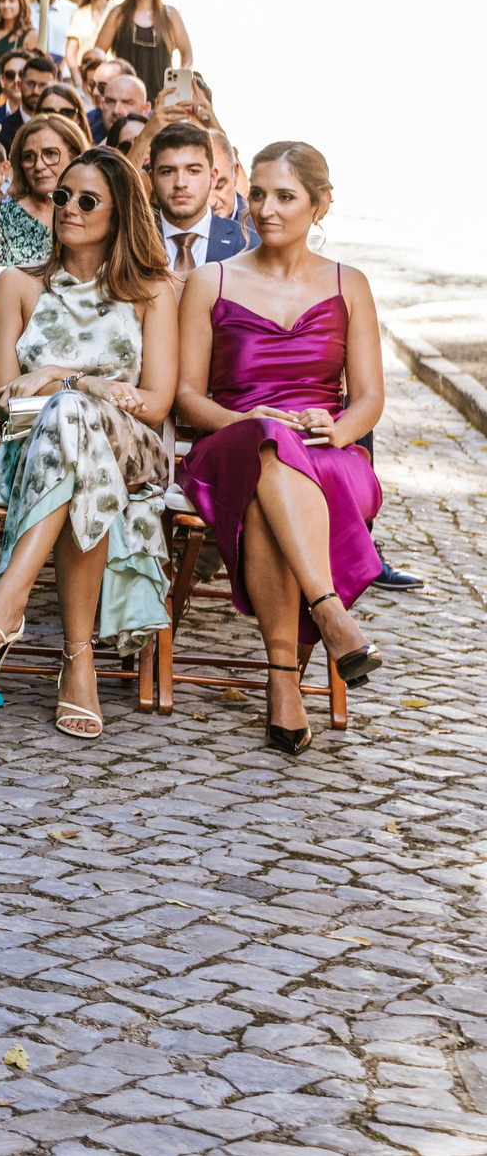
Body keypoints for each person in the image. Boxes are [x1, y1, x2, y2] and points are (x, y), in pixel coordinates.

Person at [0, 147, 179, 738]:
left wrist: (59, 380)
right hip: (30, 447)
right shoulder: (19, 285)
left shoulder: (151, 290)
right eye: (62, 196)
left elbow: (155, 403)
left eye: (87, 200)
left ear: (120, 211)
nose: (68, 208)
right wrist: (78, 385)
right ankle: (79, 664)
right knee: (73, 437)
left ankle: (8, 601)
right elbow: (2, 403)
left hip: (131, 450)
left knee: (73, 415)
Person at [175, 142, 385, 754]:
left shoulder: (350, 284)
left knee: (273, 475)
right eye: (258, 194)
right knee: (266, 441)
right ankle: (329, 612)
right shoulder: (210, 281)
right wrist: (244, 417)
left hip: (326, 450)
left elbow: (369, 398)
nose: (265, 209)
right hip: (229, 441)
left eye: (285, 197)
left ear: (320, 205)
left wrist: (338, 430)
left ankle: (282, 679)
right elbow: (186, 398)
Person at [148, 120, 253, 278]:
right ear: (152, 179)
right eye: (168, 172)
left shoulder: (248, 245)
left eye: (193, 171)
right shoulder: (129, 241)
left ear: (213, 177)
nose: (180, 183)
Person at [0, 113, 85, 269]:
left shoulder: (90, 212)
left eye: (50, 153)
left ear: (74, 156)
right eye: (28, 157)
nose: (39, 166)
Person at [91, 0, 193, 105]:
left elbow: (187, 54)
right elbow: (98, 53)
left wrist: (179, 83)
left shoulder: (170, 15)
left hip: (161, 97)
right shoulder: (119, 14)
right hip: (124, 97)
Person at [0, 0, 35, 75]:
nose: (6, 5)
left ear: (21, 4)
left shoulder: (31, 35)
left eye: (11, 1)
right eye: (2, 1)